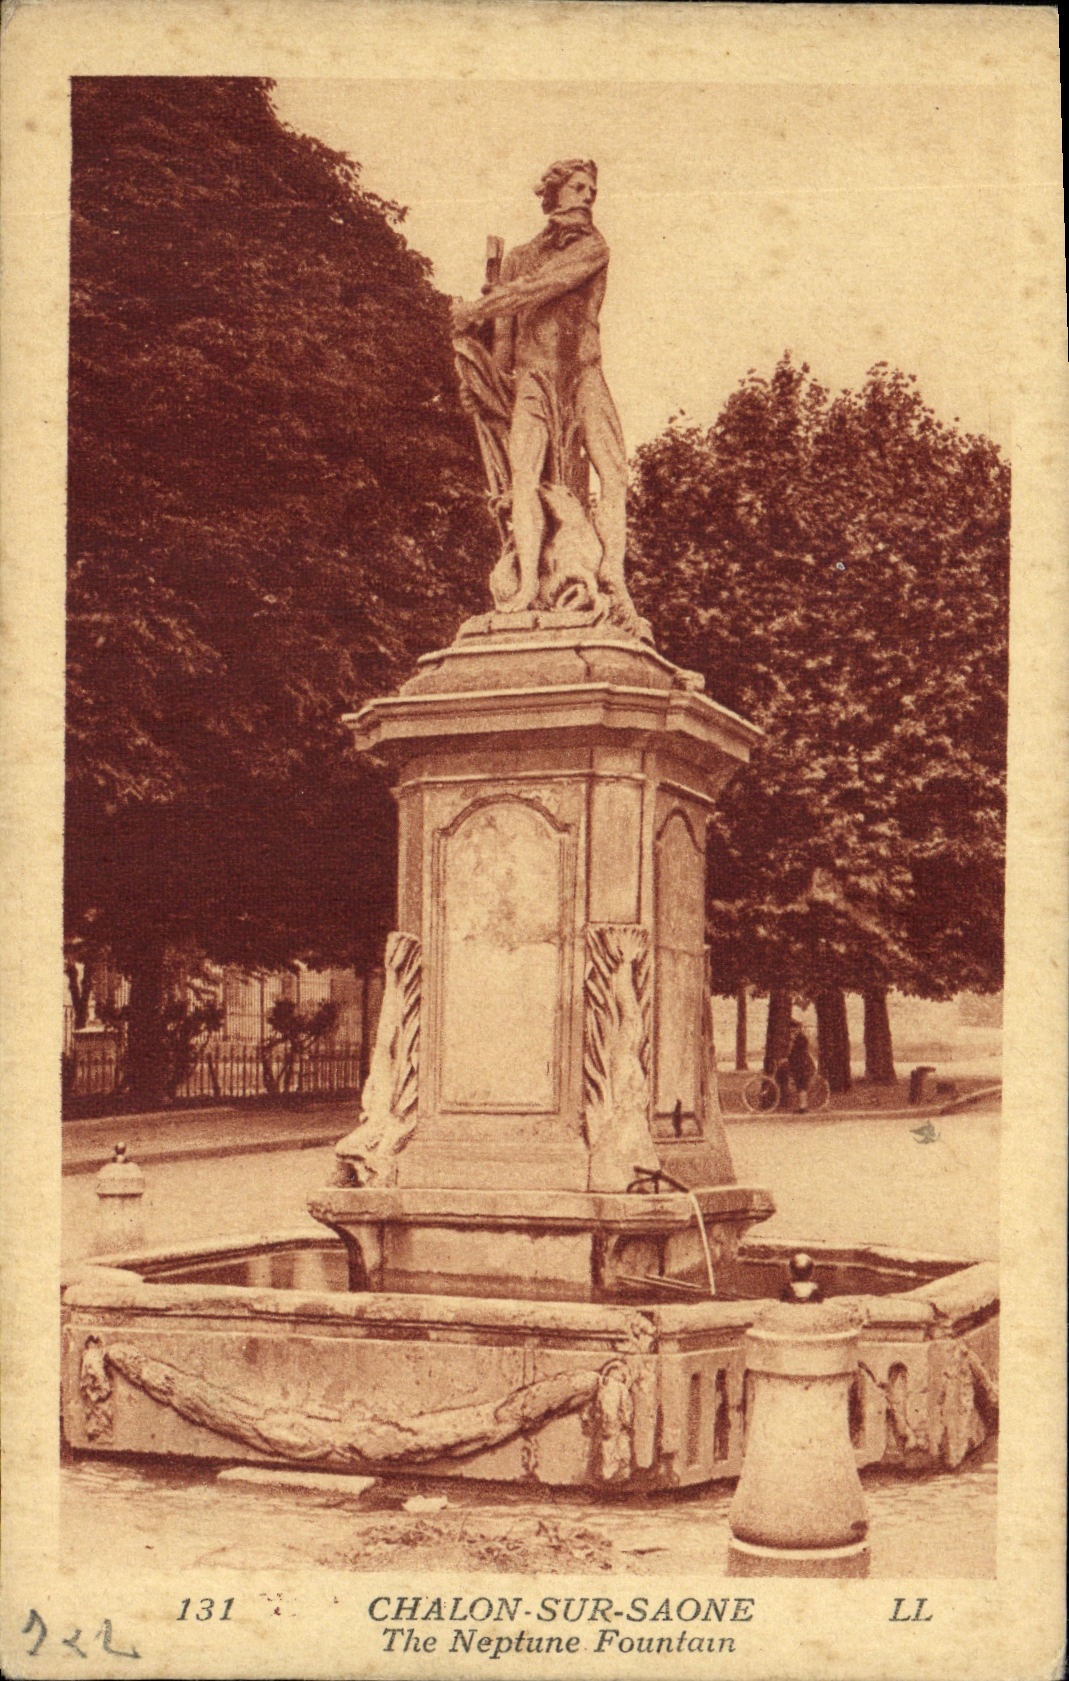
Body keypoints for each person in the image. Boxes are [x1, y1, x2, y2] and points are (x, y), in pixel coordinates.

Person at [451, 159, 642, 633]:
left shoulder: (593, 246)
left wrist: (479, 305)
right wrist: (482, 380)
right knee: (522, 475)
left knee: (614, 473)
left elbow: (543, 286)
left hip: (582, 374)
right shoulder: (516, 256)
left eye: (592, 189)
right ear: (554, 193)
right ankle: (528, 585)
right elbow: (504, 347)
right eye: (578, 187)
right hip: (534, 380)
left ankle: (612, 575)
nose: (588, 195)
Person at [778, 1021, 816, 1113]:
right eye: (791, 1029)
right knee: (799, 1086)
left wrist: (786, 1059)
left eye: (794, 1028)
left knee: (801, 1086)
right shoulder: (796, 1038)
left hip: (803, 1065)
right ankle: (802, 1106)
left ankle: (803, 1108)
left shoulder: (801, 1039)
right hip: (799, 1064)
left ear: (797, 1028)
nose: (792, 1031)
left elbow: (797, 1053)